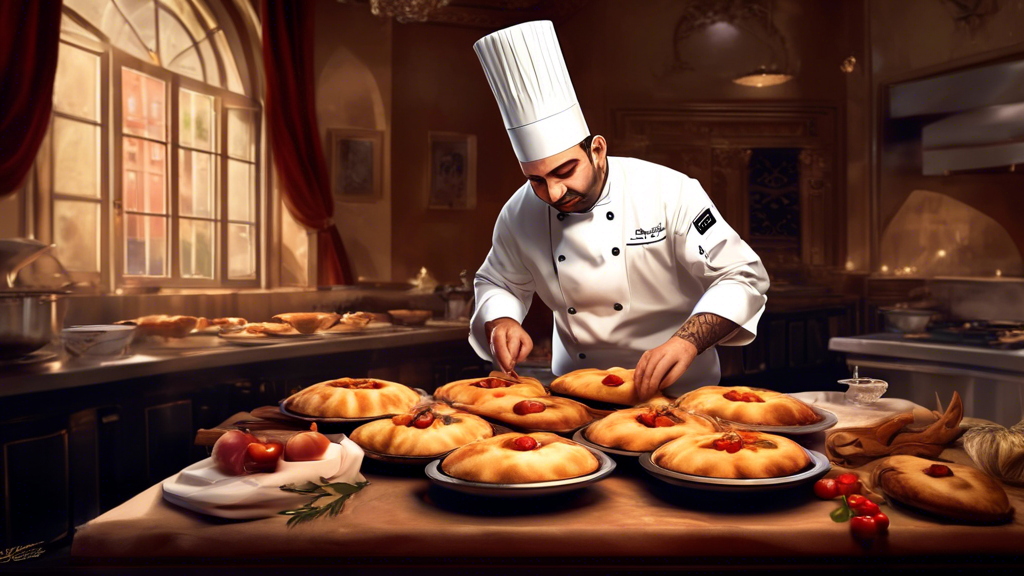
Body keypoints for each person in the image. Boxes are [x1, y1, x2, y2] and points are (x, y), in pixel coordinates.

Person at [469, 21, 769, 400]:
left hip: (681, 394)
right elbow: (498, 281)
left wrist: (686, 342)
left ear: (597, 150)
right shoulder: (520, 211)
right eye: (537, 179)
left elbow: (742, 276)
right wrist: (502, 319)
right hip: (575, 395)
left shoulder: (668, 191)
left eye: (564, 171)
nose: (554, 192)